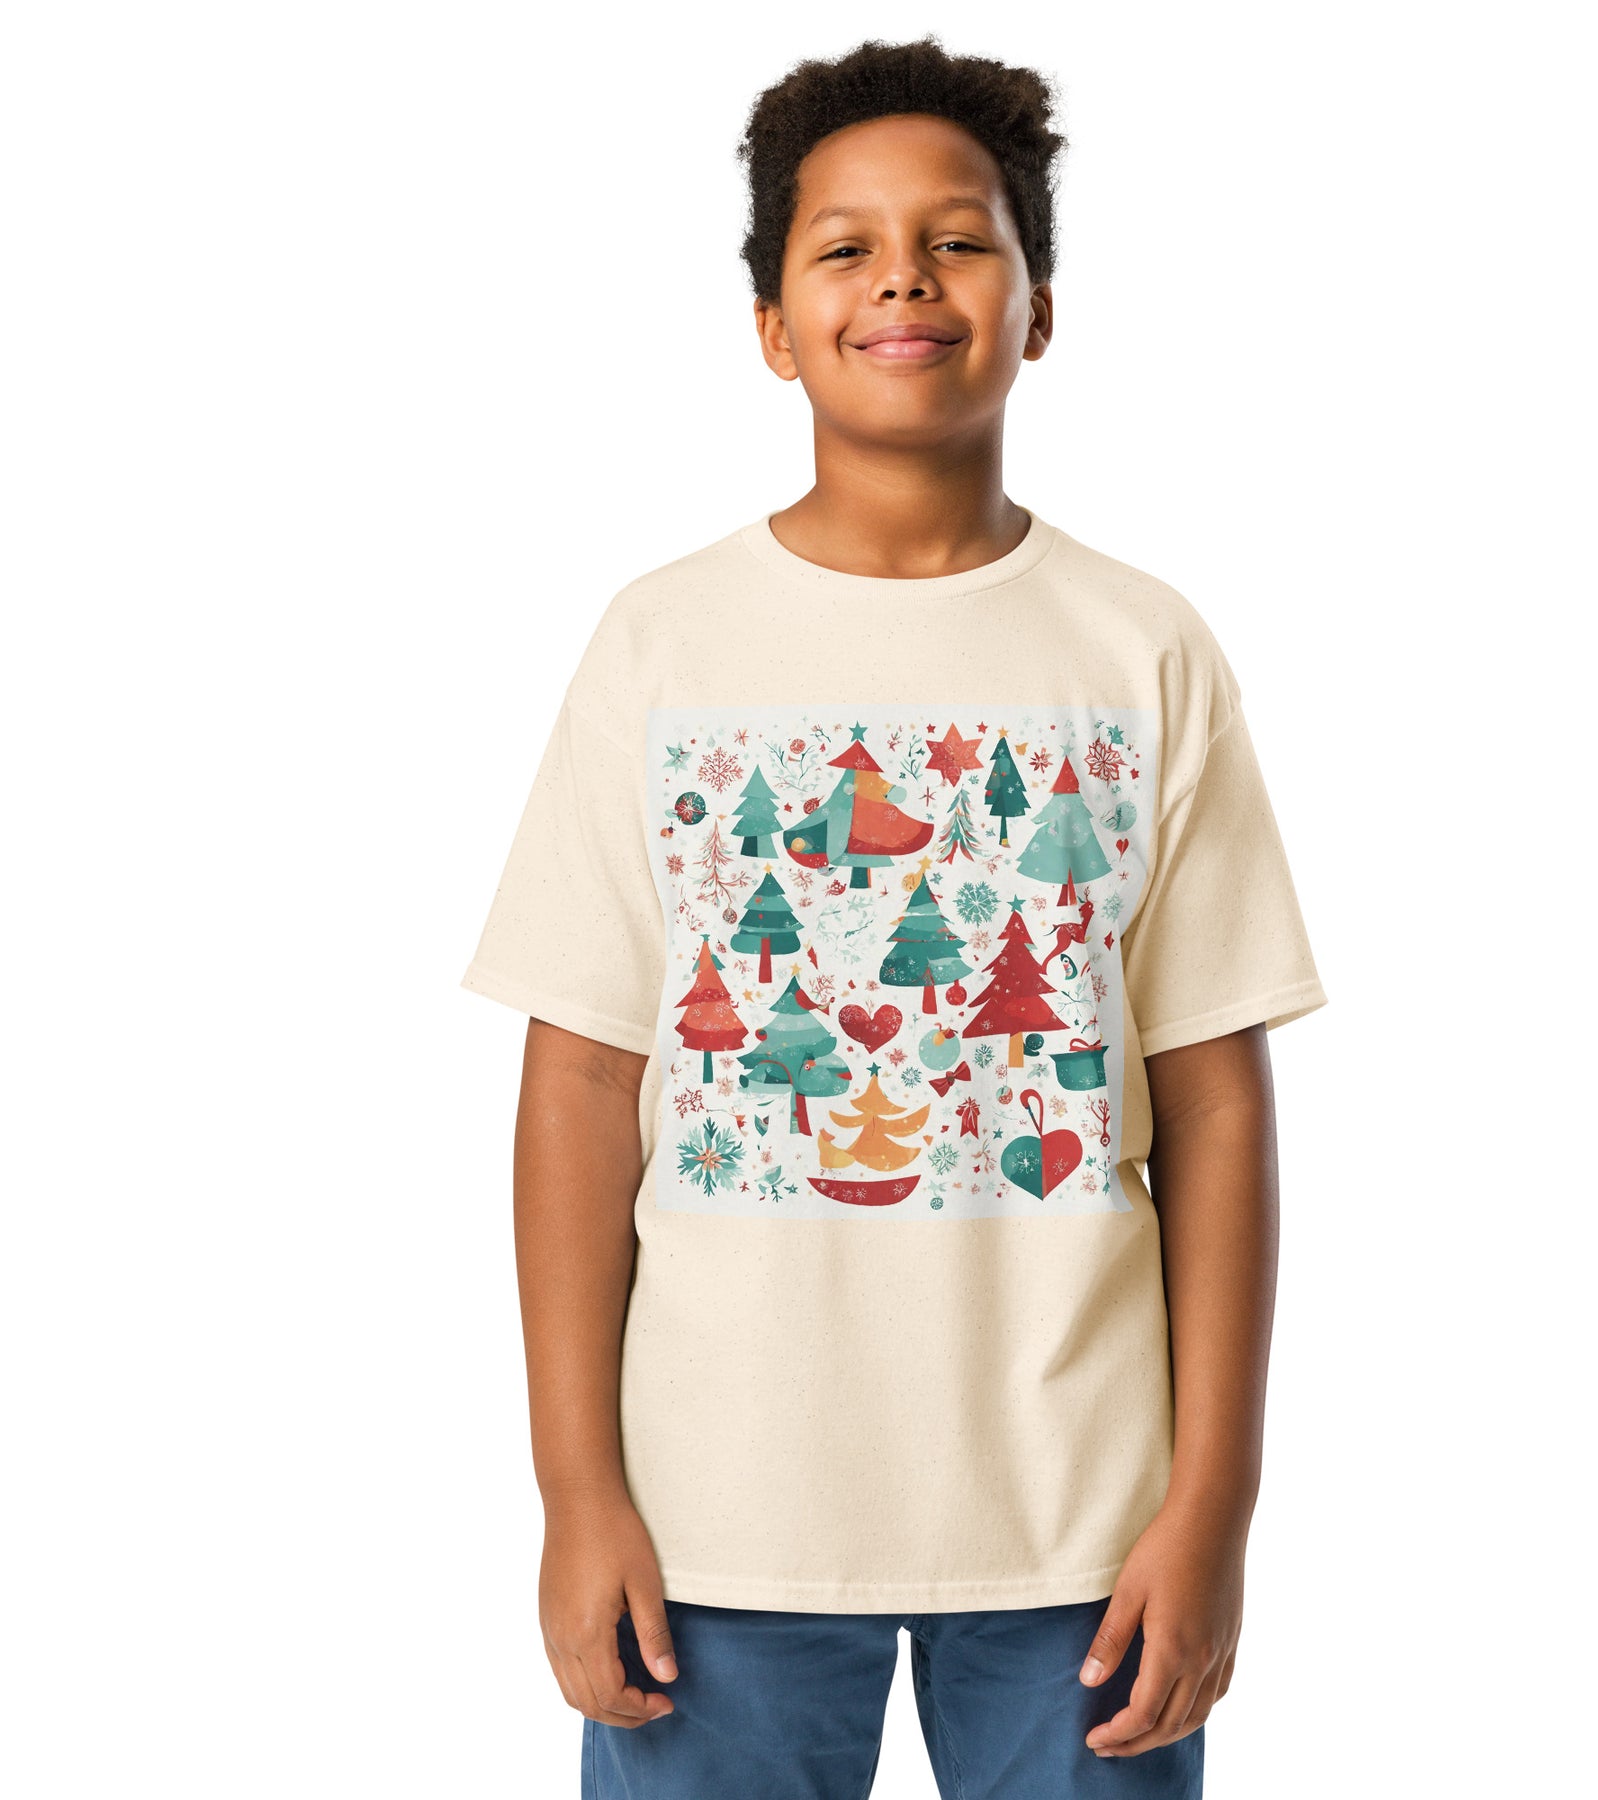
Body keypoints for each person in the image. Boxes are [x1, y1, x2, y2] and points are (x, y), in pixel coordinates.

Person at [463, 35, 1327, 1800]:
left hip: (1084, 1523)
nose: (905, 281)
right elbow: (581, 1081)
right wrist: (575, 1491)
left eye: (958, 240)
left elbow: (1217, 1104)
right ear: (774, 327)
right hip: (715, 1523)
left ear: (1040, 308)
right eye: (845, 248)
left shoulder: (1142, 649)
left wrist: (1214, 1506)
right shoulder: (664, 643)